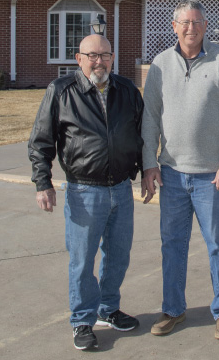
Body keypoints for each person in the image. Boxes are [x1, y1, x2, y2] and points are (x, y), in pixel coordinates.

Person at [28, 34, 144, 351]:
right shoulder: (61, 91)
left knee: (118, 256)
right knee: (82, 260)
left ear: (113, 57)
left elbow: (141, 134)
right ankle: (82, 320)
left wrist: (145, 170)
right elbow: (41, 141)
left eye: (104, 55)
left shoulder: (127, 90)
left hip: (121, 189)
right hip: (84, 191)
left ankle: (108, 308)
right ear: (79, 59)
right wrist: (43, 182)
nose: (98, 61)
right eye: (91, 55)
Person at [140, 0, 219, 341]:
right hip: (171, 174)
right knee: (172, 245)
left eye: (197, 22)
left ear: (205, 26)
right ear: (174, 26)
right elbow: (149, 117)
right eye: (185, 22)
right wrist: (149, 163)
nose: (191, 28)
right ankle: (173, 309)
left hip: (212, 177)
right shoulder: (160, 64)